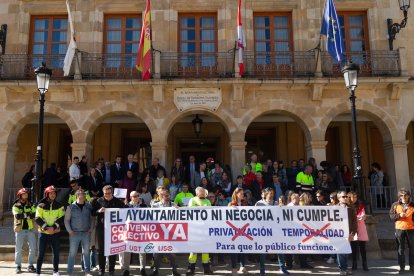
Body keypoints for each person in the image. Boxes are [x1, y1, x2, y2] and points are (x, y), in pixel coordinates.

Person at [92, 185, 127, 276]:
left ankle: (112, 270)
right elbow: (92, 213)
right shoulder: (98, 201)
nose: (107, 195)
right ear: (103, 193)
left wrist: (125, 204)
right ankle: (101, 269)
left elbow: (125, 211)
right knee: (101, 250)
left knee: (113, 250)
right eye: (105, 193)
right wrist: (98, 211)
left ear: (112, 192)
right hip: (101, 229)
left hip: (114, 230)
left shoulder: (117, 201)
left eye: (109, 193)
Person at [256, 187, 289, 275]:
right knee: (262, 252)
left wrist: (281, 208)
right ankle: (262, 271)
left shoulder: (276, 203)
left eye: (273, 193)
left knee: (279, 250)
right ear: (266, 194)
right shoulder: (259, 204)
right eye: (270, 193)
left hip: (274, 231)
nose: (272, 195)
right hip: (263, 232)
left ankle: (282, 268)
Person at [35, 185, 65, 276]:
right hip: (43, 233)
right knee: (40, 253)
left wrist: (54, 228)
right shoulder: (41, 205)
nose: (53, 195)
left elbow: (61, 218)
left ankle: (55, 271)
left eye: (54, 193)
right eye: (51, 193)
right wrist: (46, 227)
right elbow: (37, 218)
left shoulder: (59, 205)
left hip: (55, 233)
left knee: (56, 253)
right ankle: (38, 272)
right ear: (47, 194)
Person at [150, 190, 180, 276]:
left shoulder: (173, 205)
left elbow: (179, 217)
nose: (168, 197)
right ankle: (155, 270)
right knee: (156, 253)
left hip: (170, 233)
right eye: (166, 195)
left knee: (172, 253)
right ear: (161, 196)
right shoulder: (155, 206)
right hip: (159, 233)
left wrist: (178, 210)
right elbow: (150, 217)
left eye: (168, 195)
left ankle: (174, 270)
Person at [64, 189, 94, 276]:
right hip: (74, 234)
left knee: (86, 253)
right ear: (77, 196)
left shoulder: (89, 206)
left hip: (86, 233)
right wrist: (70, 231)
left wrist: (91, 229)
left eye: (84, 195)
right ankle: (70, 272)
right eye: (82, 195)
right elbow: (66, 220)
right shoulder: (70, 207)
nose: (84, 196)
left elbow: (92, 219)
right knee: (72, 253)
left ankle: (87, 271)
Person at [186, 187, 213, 275]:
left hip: (205, 228)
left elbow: (210, 213)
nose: (203, 195)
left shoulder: (207, 201)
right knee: (193, 249)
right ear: (197, 193)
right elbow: (190, 210)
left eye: (204, 193)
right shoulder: (192, 200)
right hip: (195, 229)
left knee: (205, 250)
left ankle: (206, 268)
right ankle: (191, 268)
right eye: (201, 193)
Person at [119, 191, 148, 276]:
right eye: (134, 196)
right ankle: (126, 269)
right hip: (129, 232)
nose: (136, 197)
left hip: (141, 231)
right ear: (130, 197)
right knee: (127, 250)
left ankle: (142, 269)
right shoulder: (126, 206)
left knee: (142, 250)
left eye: (137, 196)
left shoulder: (144, 206)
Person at [389, 188, 414, 274]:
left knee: (412, 248)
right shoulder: (395, 205)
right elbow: (391, 216)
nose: (403, 197)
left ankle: (412, 266)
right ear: (399, 196)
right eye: (401, 195)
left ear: (408, 196)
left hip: (411, 229)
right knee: (400, 249)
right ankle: (402, 267)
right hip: (399, 229)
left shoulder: (413, 205)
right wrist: (399, 215)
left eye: (405, 195)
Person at [12, 188, 36, 274]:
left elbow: (34, 215)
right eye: (24, 194)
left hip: (30, 229)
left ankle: (30, 265)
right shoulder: (15, 206)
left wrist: (25, 215)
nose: (26, 195)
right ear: (20, 195)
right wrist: (28, 214)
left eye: (26, 194)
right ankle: (18, 266)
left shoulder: (31, 204)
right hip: (19, 230)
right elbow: (18, 216)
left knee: (32, 248)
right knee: (18, 249)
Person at [336, 190, 357, 275]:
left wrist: (353, 233)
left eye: (346, 196)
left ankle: (345, 268)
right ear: (339, 198)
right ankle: (342, 269)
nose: (345, 198)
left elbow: (354, 221)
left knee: (345, 251)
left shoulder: (350, 208)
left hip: (348, 233)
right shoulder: (334, 208)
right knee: (340, 251)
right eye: (343, 197)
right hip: (337, 234)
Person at [228, 187, 248, 275]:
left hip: (244, 229)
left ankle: (242, 266)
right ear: (236, 194)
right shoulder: (230, 204)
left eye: (243, 193)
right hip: (234, 230)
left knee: (242, 248)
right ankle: (234, 268)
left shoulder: (245, 204)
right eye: (241, 193)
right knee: (234, 250)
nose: (242, 195)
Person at [348, 191, 369, 271]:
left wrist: (358, 218)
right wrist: (358, 218)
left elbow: (363, 216)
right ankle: (354, 264)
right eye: (353, 197)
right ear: (349, 198)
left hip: (361, 228)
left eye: (356, 197)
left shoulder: (360, 206)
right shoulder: (348, 207)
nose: (355, 198)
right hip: (353, 228)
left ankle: (365, 264)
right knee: (354, 247)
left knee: (362, 247)